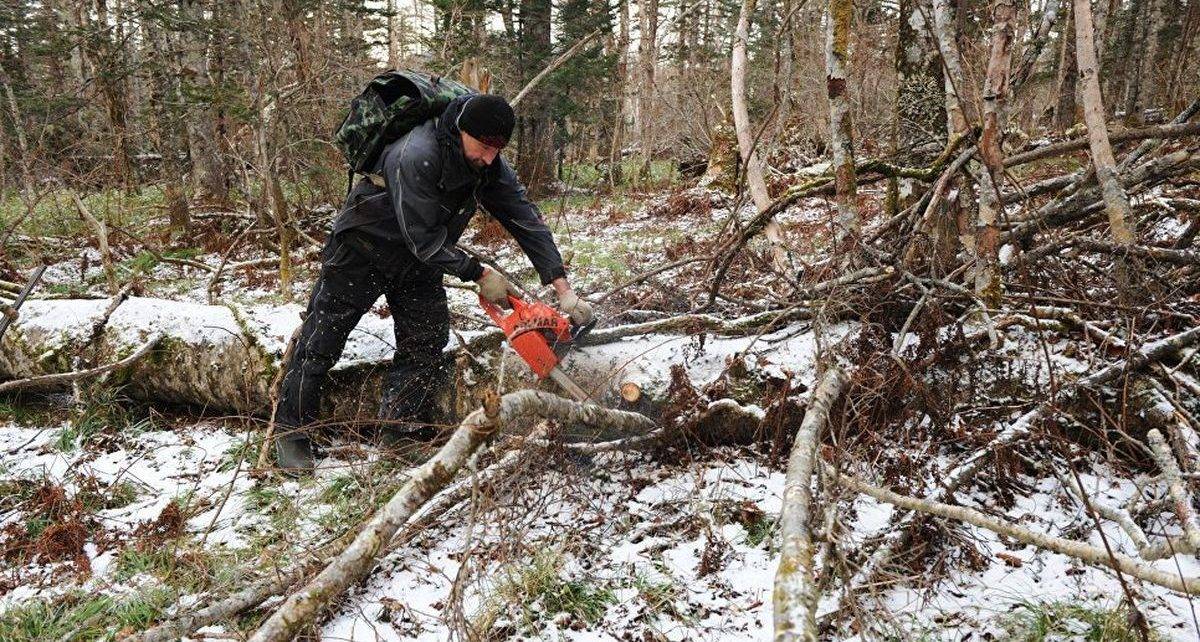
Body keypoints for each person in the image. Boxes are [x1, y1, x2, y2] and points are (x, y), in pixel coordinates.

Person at [274, 93, 592, 473]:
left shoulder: (487, 162)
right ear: (462, 131)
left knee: (425, 338)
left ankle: (400, 430)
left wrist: (562, 288)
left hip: (419, 258)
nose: (490, 158)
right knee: (321, 340)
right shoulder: (415, 153)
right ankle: (291, 433)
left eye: (498, 150)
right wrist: (478, 273)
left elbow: (524, 217)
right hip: (364, 247)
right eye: (485, 147)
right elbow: (420, 237)